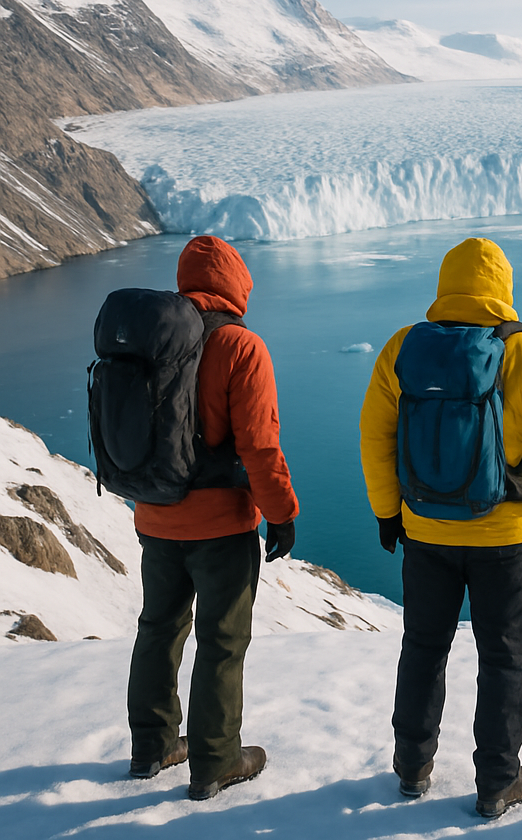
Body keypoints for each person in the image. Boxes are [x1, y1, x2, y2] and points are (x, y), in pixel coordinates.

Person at [360, 237, 522, 818]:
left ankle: (411, 768)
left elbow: (375, 437)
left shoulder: (403, 348)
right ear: (503, 287)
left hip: (426, 533)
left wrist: (388, 514)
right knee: (503, 659)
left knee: (423, 648)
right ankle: (497, 782)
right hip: (504, 541)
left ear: (446, 284)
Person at [126, 235, 299, 800]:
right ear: (235, 281)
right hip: (221, 526)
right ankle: (215, 760)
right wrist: (282, 514)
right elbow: (259, 447)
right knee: (221, 641)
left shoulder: (152, 340)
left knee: (158, 628)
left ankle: (152, 747)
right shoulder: (240, 347)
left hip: (155, 517)